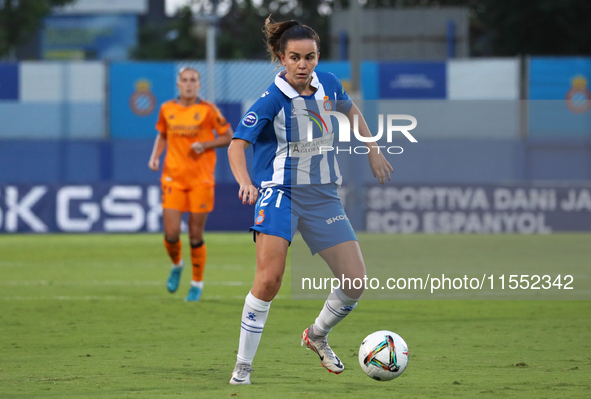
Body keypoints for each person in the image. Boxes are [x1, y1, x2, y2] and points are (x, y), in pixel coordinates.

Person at [227, 18, 394, 384]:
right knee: (269, 280)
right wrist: (244, 182)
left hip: (323, 196)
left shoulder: (328, 84)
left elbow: (352, 112)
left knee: (355, 281)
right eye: (295, 57)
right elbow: (237, 145)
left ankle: (316, 335)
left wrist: (373, 149)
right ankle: (243, 365)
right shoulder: (271, 100)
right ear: (281, 58)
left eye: (310, 57)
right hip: (281, 193)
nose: (303, 65)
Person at [148, 67, 233, 302]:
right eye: (184, 80)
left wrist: (205, 145)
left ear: (199, 85)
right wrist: (155, 155)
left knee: (195, 234)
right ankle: (177, 264)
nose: (188, 84)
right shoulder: (167, 109)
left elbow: (228, 136)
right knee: (171, 232)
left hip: (201, 180)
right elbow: (163, 134)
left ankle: (196, 284)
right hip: (173, 177)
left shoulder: (207, 110)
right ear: (178, 84)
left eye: (193, 80)